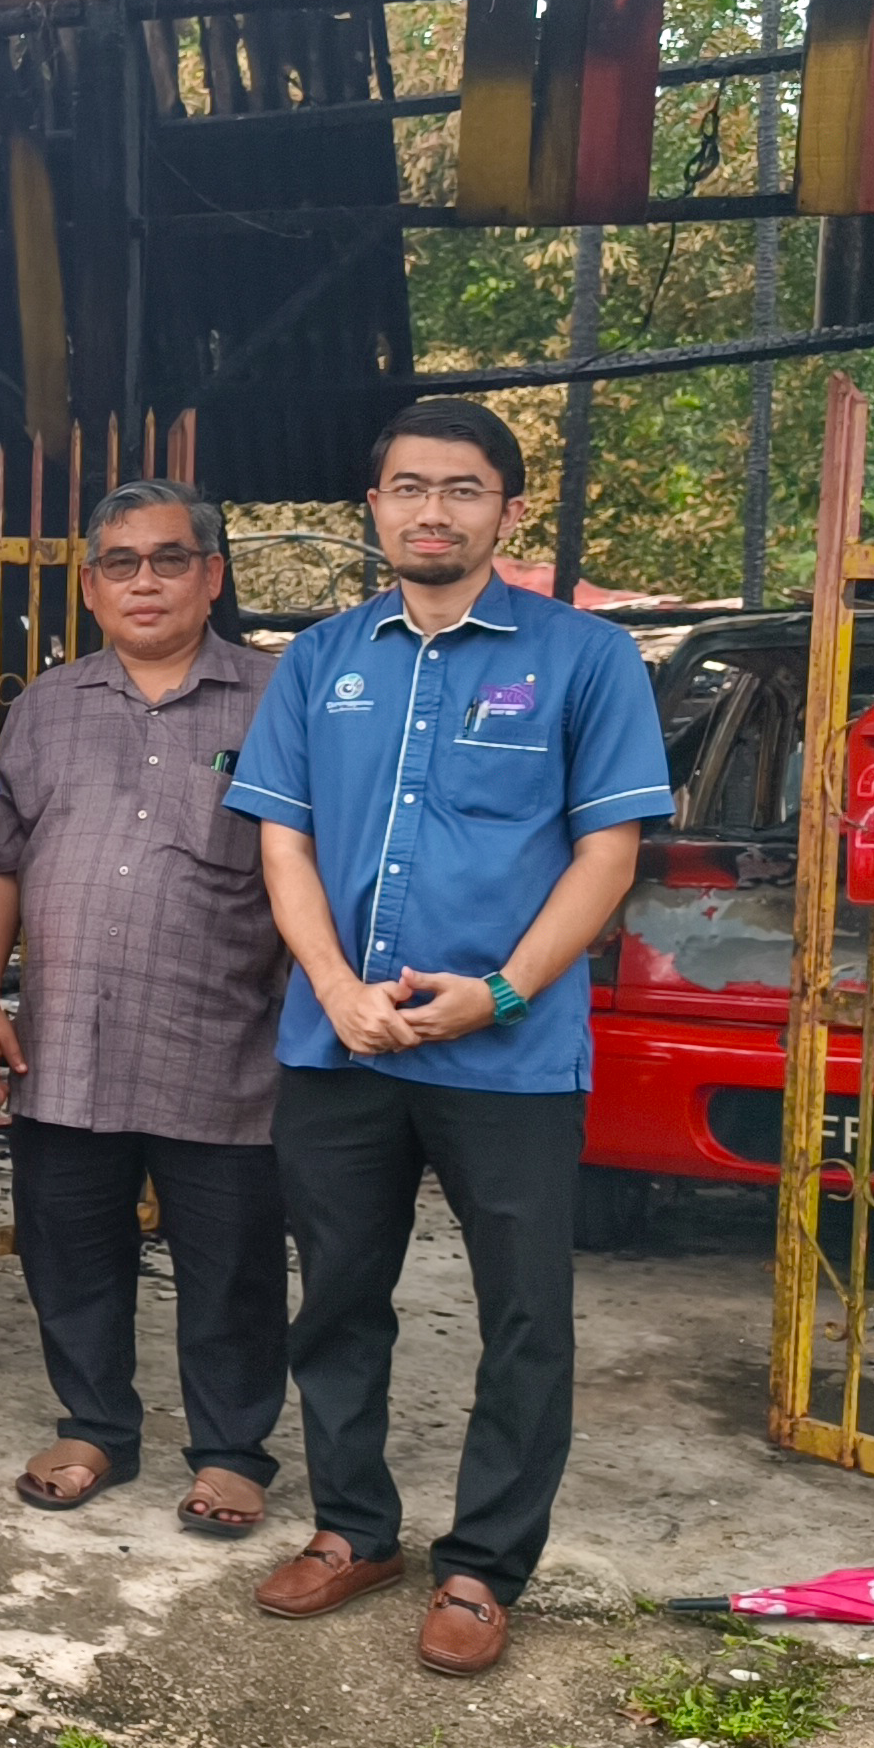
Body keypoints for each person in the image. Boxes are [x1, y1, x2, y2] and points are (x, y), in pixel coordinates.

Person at [219, 398, 672, 1677]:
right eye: (408, 488)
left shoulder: (586, 660)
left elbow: (608, 850)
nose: (432, 510)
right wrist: (330, 983)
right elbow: (283, 837)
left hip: (510, 1057)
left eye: (462, 489)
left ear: (505, 511)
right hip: (342, 1043)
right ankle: (353, 1526)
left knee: (523, 1313)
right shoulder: (319, 659)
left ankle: (482, 1569)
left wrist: (507, 992)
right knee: (340, 1297)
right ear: (374, 509)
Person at [0, 479, 289, 1535]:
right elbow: (0, 861)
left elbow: (314, 867)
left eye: (166, 559)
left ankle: (233, 1450)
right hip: (68, 1038)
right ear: (91, 585)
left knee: (230, 1260)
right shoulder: (49, 705)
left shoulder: (276, 698)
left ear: (212, 575)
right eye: (120, 562)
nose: (142, 581)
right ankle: (95, 1424)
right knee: (67, 1243)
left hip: (225, 1039)